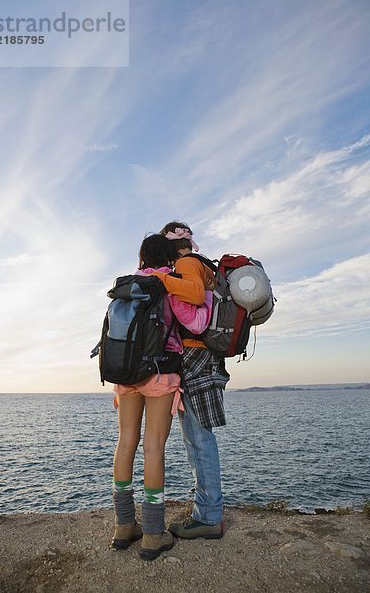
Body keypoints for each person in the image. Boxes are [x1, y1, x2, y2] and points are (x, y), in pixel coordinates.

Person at [111, 234, 213, 560]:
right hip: (159, 373)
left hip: (124, 374)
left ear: (141, 256)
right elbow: (193, 323)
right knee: (153, 446)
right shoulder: (167, 284)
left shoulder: (127, 286)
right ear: (167, 257)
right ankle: (153, 534)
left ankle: (124, 526)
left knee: (126, 443)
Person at [152, 221, 230, 539]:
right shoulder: (200, 264)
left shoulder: (186, 264)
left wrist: (161, 277)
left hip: (196, 356)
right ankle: (205, 508)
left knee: (197, 437)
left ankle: (209, 517)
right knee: (197, 436)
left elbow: (195, 294)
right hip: (205, 355)